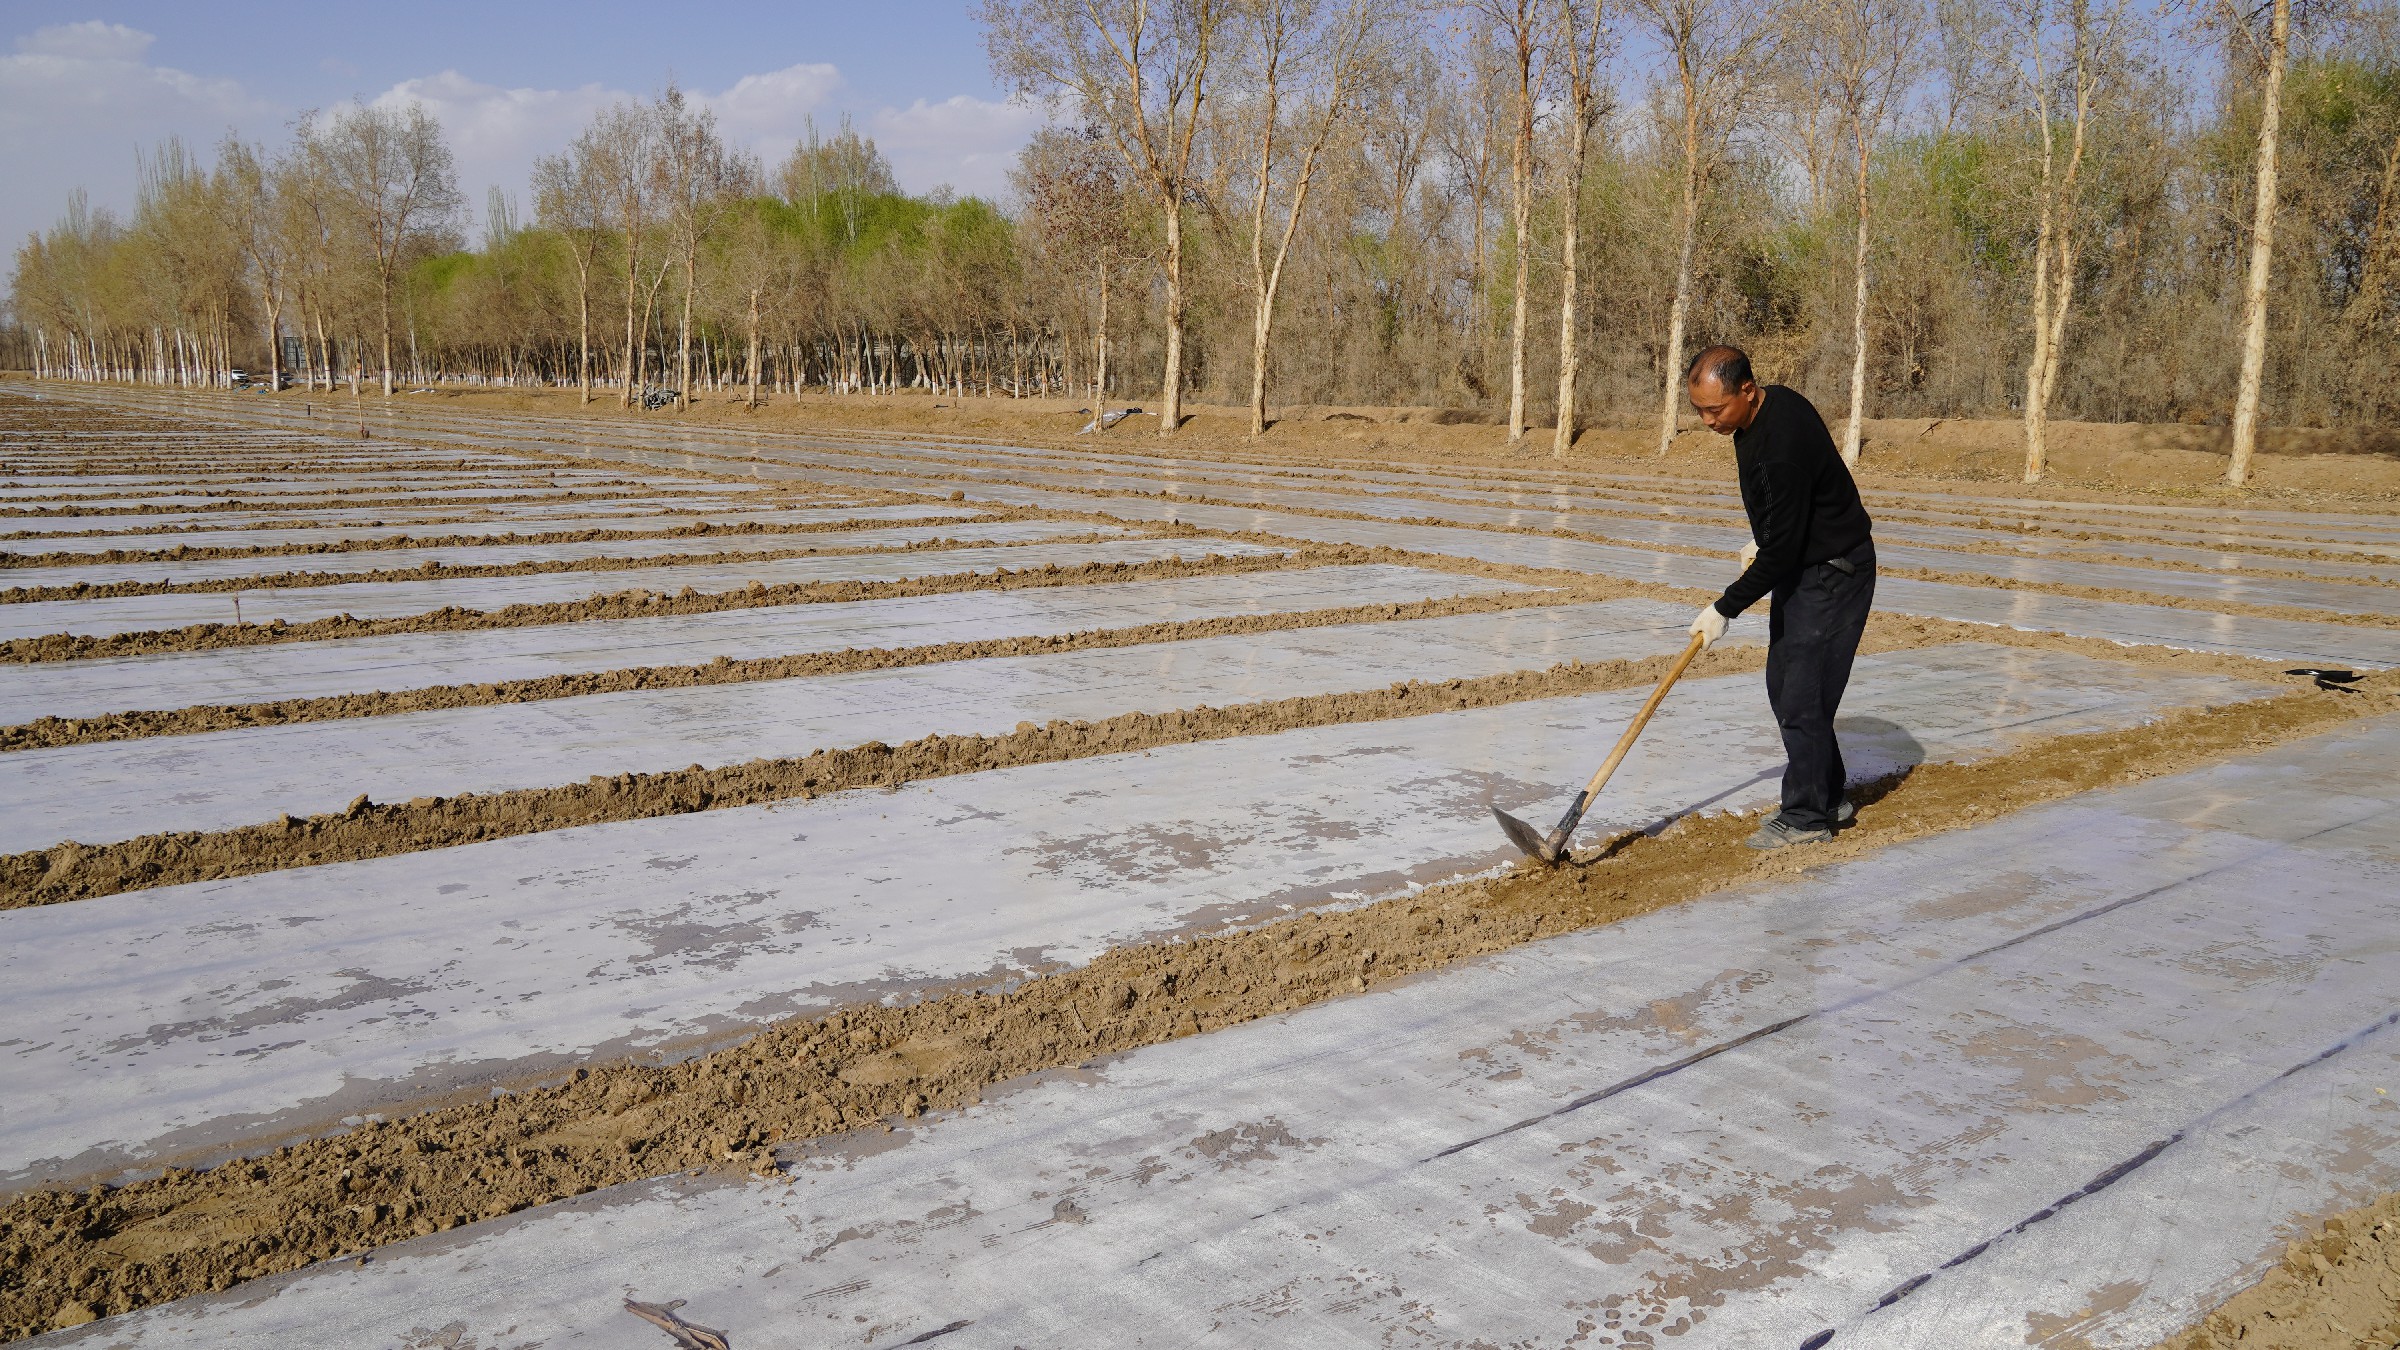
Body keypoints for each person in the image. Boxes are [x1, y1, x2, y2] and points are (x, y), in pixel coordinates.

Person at [1681, 345, 1876, 850]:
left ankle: (1808, 818)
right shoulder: (1775, 405)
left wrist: (1724, 606)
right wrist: (1769, 533)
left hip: (1833, 571)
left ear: (1747, 391)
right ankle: (1829, 795)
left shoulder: (1777, 448)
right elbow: (1797, 505)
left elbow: (1783, 551)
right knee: (1786, 685)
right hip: (1809, 560)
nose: (1707, 421)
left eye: (1715, 410)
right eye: (1698, 409)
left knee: (1802, 694)